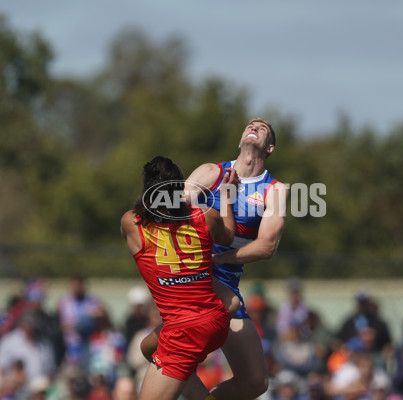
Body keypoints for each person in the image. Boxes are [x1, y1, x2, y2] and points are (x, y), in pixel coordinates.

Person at [141, 118, 289, 400]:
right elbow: (171, 211)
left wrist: (220, 260)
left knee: (255, 381)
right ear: (240, 141)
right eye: (249, 125)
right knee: (171, 345)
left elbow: (266, 246)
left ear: (269, 147)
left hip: (226, 279)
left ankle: (190, 385)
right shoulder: (212, 172)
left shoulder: (275, 190)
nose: (254, 127)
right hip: (195, 279)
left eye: (262, 128)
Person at [120, 156, 237, 400]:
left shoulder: (132, 222)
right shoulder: (206, 216)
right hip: (214, 319)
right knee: (147, 348)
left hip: (183, 329)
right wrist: (226, 196)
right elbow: (227, 238)